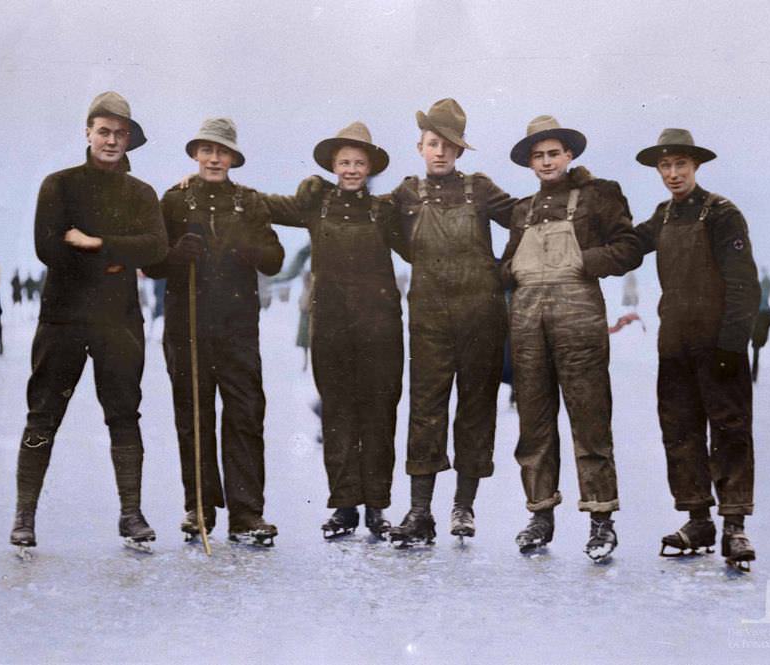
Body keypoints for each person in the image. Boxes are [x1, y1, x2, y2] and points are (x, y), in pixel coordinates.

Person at [9, 92, 167, 554]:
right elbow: (48, 248)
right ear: (87, 132)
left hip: (118, 321)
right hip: (63, 317)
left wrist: (96, 243)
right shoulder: (58, 185)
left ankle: (131, 514)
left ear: (129, 140)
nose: (112, 141)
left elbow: (155, 247)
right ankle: (24, 516)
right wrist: (118, 258)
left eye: (120, 134)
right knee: (43, 414)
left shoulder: (141, 194)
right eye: (104, 131)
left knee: (124, 413)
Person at [500, 116, 641, 561]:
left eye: (553, 153)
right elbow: (505, 265)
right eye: (538, 156)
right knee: (535, 425)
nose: (546, 162)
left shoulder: (600, 196)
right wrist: (511, 271)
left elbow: (630, 246)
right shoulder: (522, 210)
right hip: (526, 324)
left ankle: (601, 520)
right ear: (530, 163)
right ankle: (541, 516)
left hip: (579, 319)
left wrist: (585, 261)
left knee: (589, 420)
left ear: (569, 155)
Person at [144, 117, 283, 546]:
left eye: (222, 152)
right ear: (195, 155)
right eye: (207, 150)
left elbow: (275, 259)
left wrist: (251, 248)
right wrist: (173, 255)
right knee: (194, 414)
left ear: (233, 159)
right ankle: (199, 507)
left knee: (245, 414)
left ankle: (246, 513)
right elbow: (151, 264)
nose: (214, 158)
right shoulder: (173, 201)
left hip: (238, 328)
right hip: (187, 327)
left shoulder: (248, 203)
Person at [265, 121, 405, 540]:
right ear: (332, 165)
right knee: (339, 416)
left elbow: (423, 247)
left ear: (370, 168)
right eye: (344, 162)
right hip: (331, 329)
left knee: (380, 417)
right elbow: (262, 205)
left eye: (359, 162)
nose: (351, 169)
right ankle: (344, 507)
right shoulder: (315, 205)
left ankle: (378, 507)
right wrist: (204, 183)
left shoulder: (384, 211)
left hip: (380, 330)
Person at [386, 98, 517, 545]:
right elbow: (380, 227)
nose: (439, 152)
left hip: (481, 315)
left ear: (459, 152)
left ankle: (464, 506)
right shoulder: (404, 195)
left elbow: (525, 217)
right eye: (431, 144)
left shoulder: (480, 189)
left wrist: (505, 268)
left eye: (448, 145)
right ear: (419, 147)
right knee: (425, 411)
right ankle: (420, 511)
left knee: (476, 408)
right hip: (429, 319)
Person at [634, 128, 760, 570]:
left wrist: (731, 344)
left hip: (718, 346)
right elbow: (630, 246)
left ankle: (734, 525)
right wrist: (580, 256)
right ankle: (698, 520)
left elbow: (745, 284)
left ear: (696, 167)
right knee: (680, 431)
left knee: (729, 429)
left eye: (680, 165)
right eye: (665, 167)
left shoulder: (722, 214)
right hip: (675, 347)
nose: (672, 174)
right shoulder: (663, 217)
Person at [750, 267, 770, 383]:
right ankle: (754, 373)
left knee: (754, 347)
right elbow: (769, 323)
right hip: (761, 319)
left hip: (756, 318)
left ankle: (752, 373)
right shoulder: (765, 302)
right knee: (756, 348)